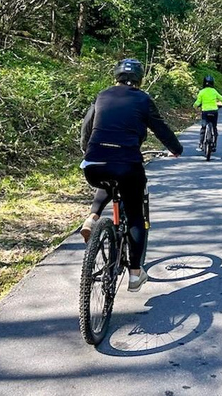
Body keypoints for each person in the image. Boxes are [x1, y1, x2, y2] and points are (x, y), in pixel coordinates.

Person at [79, 58, 183, 291]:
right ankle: (135, 274)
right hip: (127, 164)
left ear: (115, 77)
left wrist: (88, 149)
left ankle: (93, 217)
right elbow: (161, 128)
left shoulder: (102, 95)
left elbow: (86, 126)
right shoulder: (143, 99)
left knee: (109, 176)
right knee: (136, 215)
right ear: (139, 79)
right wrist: (176, 149)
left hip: (94, 164)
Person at [194, 75, 222, 152]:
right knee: (214, 127)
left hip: (205, 112)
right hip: (214, 111)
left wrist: (195, 106)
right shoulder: (214, 91)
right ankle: (214, 144)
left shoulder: (202, 92)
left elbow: (198, 102)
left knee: (203, 128)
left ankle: (200, 144)